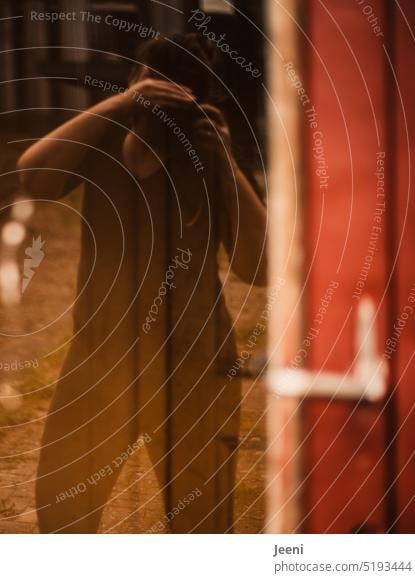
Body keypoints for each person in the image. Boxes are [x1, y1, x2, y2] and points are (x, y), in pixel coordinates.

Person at [16, 34, 267, 533]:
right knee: (63, 514)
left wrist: (223, 157)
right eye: (152, 90)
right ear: (136, 83)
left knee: (204, 526)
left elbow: (258, 267)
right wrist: (120, 104)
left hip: (195, 361)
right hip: (102, 356)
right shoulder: (105, 135)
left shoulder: (207, 150)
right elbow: (32, 175)